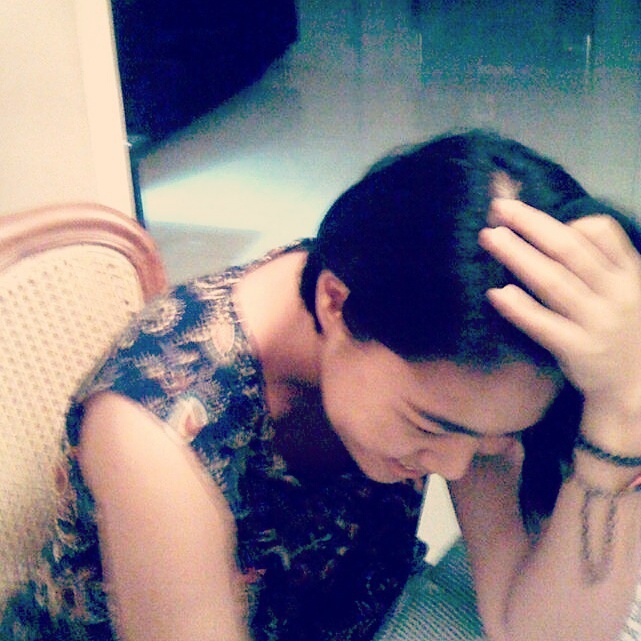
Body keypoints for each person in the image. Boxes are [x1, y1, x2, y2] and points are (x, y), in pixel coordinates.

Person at [2, 129, 641, 641]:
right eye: (429, 425)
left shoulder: (454, 360)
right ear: (336, 302)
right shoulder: (160, 431)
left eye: (493, 440)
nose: (455, 466)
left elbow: (536, 628)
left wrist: (626, 406)